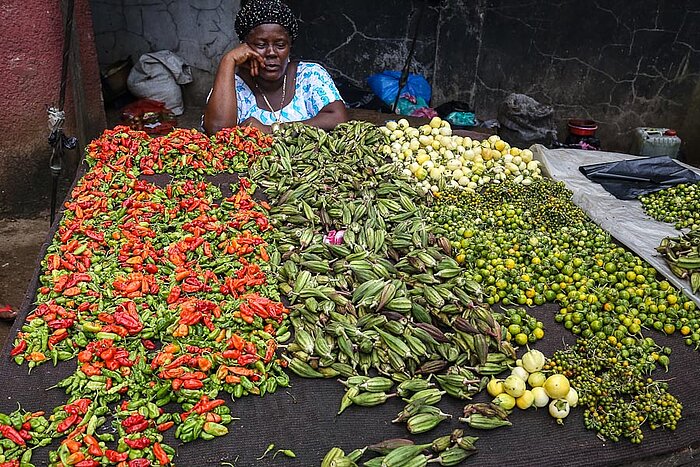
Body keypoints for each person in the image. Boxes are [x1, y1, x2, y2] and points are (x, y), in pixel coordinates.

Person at [203, 0, 348, 134]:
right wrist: (228, 61)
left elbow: (338, 118)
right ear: (245, 47)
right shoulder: (233, 87)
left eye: (280, 45)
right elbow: (218, 132)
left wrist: (272, 129)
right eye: (261, 45)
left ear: (290, 46)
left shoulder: (309, 75)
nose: (271, 53)